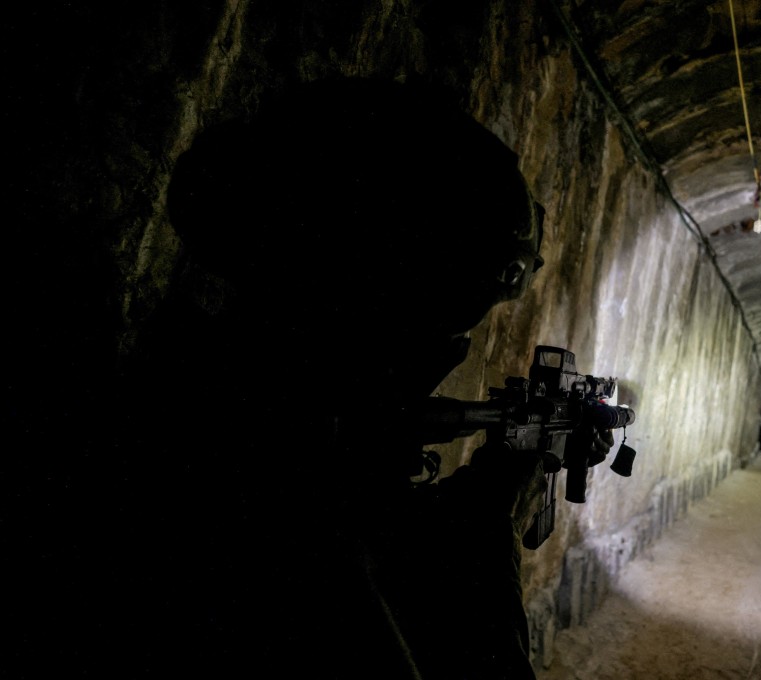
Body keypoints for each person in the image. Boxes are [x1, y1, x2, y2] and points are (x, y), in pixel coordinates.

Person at [85, 76, 556, 678]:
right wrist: (489, 520)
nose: (438, 357)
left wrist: (486, 492)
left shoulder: (215, 399)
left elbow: (368, 521)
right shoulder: (251, 478)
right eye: (435, 326)